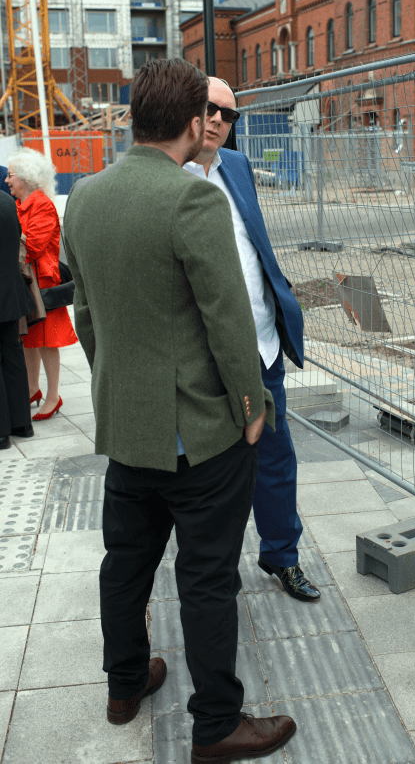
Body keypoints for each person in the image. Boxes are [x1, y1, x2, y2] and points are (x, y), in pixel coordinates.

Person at [63, 59, 296, 763]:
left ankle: (124, 685)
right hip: (199, 433)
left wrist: (116, 384)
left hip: (128, 427)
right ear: (194, 123)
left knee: (125, 564)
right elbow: (228, 321)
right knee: (206, 578)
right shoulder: (193, 199)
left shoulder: (86, 197)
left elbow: (85, 314)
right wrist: (251, 406)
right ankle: (217, 723)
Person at [184, 77, 320, 603]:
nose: (219, 120)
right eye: (210, 108)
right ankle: (215, 569)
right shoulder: (169, 176)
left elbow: (254, 246)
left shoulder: (237, 167)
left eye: (230, 114)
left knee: (276, 458)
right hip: (205, 358)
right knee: (211, 470)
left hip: (261, 348)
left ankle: (282, 555)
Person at [6, 148, 77, 420]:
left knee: (47, 342)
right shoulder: (20, 205)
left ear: (25, 177)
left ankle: (53, 396)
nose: (7, 180)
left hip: (43, 285)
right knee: (29, 338)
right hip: (28, 283)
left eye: (11, 175)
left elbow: (33, 246)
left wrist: (8, 241)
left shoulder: (42, 205)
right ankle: (32, 389)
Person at [0, 190, 35, 449]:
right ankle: (22, 423)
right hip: (10, 291)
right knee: (12, 355)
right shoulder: (6, 200)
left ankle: (2, 432)